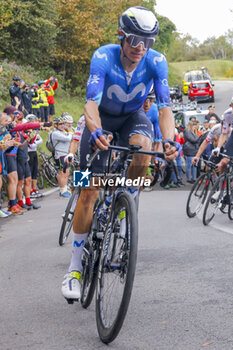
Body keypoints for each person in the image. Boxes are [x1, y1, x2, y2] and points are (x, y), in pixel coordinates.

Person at [61, 6, 178, 300]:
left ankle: (124, 201)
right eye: (135, 40)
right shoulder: (103, 56)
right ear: (122, 36)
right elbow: (90, 103)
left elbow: (164, 108)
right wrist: (97, 130)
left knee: (144, 151)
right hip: (99, 120)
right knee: (87, 190)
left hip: (132, 118)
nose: (141, 48)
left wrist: (170, 140)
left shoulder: (157, 61)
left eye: (148, 42)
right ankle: (74, 269)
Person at [52, 116, 73, 198]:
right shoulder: (55, 133)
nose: (62, 125)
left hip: (66, 154)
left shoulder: (63, 131)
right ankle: (62, 190)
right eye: (60, 124)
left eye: (63, 123)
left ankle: (65, 188)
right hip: (60, 155)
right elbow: (68, 138)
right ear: (56, 125)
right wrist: (71, 133)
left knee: (67, 172)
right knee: (62, 172)